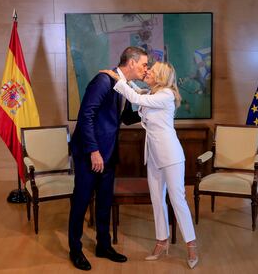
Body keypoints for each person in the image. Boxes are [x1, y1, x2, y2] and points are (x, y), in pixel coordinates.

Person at [100, 61, 199, 269]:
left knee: (177, 200)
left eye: (151, 71)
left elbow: (135, 97)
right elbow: (139, 92)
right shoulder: (154, 94)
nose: (147, 72)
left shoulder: (167, 95)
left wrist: (117, 79)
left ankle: (191, 244)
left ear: (160, 77)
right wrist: (124, 80)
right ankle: (162, 242)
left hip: (171, 156)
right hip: (153, 155)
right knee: (157, 199)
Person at [68, 47, 148, 271]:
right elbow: (86, 116)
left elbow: (124, 117)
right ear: (131, 63)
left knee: (104, 203)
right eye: (143, 64)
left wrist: (148, 105)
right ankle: (75, 249)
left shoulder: (123, 86)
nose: (146, 68)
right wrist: (93, 151)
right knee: (81, 202)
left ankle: (103, 245)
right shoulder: (103, 81)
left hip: (109, 153)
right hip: (89, 154)